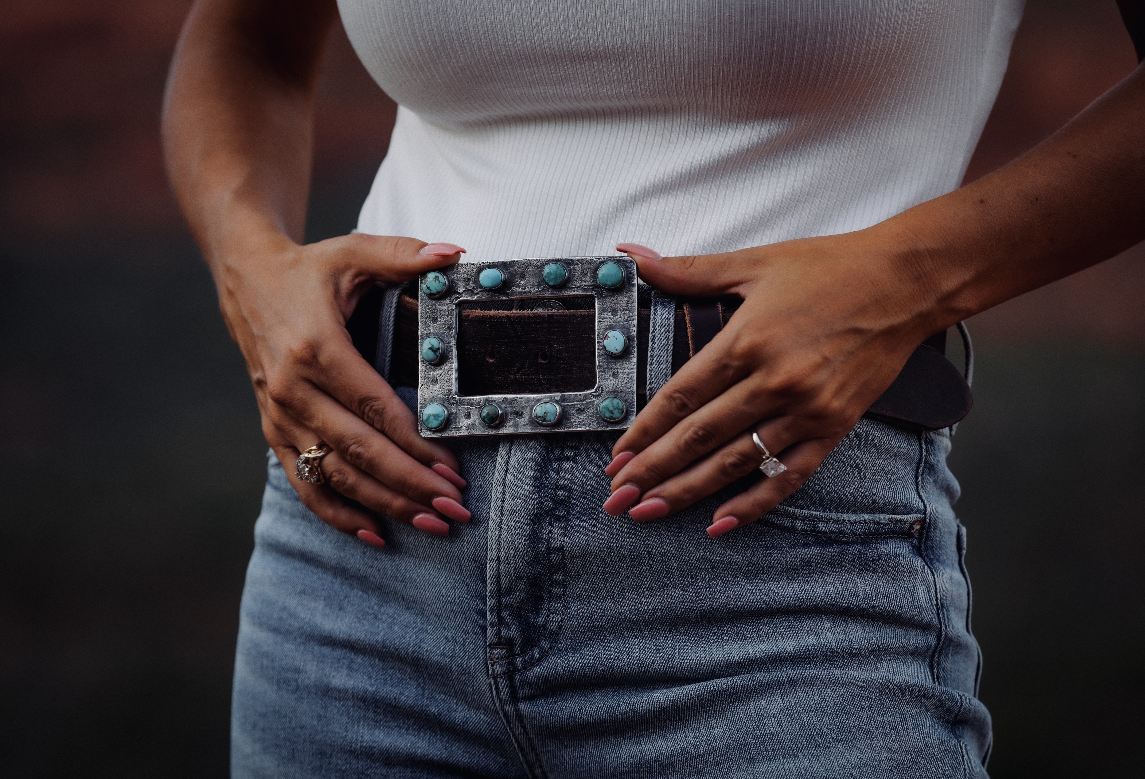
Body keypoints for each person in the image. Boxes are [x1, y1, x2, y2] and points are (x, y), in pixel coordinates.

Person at [162, 0, 1145, 775]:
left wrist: (905, 279)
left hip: (773, 568)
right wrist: (251, 268)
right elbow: (243, 36)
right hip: (354, 569)